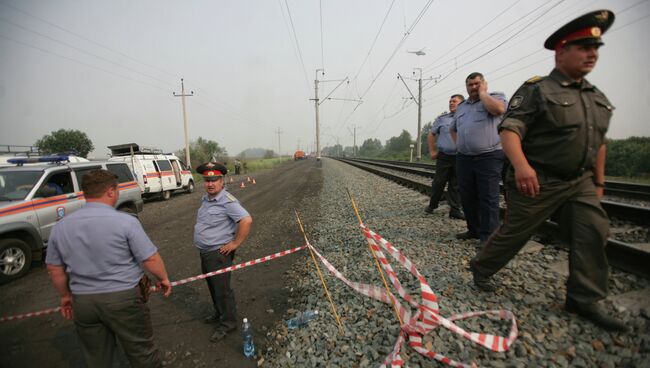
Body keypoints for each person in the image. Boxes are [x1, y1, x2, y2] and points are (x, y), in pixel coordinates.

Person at [469, 10, 628, 332]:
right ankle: (482, 267)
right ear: (561, 51)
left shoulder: (597, 98)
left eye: (595, 48)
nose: (592, 54)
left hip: (579, 180)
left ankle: (583, 298)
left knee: (593, 230)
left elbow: (599, 143)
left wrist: (598, 180)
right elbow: (510, 129)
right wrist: (522, 167)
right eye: (584, 47)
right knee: (515, 232)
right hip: (538, 179)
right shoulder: (538, 90)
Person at [46, 169, 172, 368]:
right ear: (111, 191)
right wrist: (163, 278)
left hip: (84, 302)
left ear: (85, 192)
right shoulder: (126, 221)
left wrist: (65, 297)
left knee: (99, 359)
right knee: (141, 353)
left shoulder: (61, 227)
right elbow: (150, 258)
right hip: (123, 299)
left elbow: (54, 269)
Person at [194, 162, 253, 341]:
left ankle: (228, 323)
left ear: (222, 181)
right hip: (206, 253)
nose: (210, 184)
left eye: (214, 180)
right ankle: (219, 313)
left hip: (218, 255)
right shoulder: (205, 199)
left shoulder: (227, 201)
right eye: (207, 180)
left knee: (222, 289)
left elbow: (246, 220)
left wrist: (235, 243)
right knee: (213, 286)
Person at [451, 72, 507, 243]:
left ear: (484, 84)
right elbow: (453, 128)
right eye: (470, 85)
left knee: (488, 197)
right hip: (464, 158)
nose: (473, 87)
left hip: (489, 156)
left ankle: (488, 237)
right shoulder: (462, 107)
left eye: (477, 84)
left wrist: (483, 94)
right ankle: (473, 230)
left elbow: (498, 110)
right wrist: (459, 145)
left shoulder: (496, 98)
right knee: (467, 196)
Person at [425, 94, 465, 219]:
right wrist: (432, 151)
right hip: (444, 156)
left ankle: (455, 210)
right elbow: (431, 135)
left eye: (454, 101)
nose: (451, 103)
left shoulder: (467, 118)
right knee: (438, 183)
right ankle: (432, 205)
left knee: (456, 184)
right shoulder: (442, 119)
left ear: (462, 104)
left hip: (460, 157)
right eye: (450, 101)